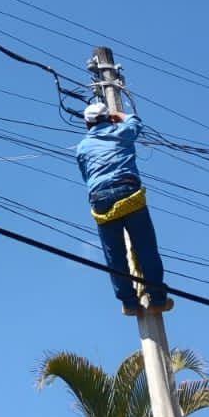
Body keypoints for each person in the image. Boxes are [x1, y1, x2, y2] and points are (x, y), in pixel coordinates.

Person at [75, 101, 171, 315]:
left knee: (114, 256)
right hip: (128, 192)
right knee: (146, 248)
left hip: (100, 198)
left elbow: (86, 176)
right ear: (109, 118)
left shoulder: (82, 147)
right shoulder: (122, 132)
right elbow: (136, 121)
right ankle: (157, 298)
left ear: (87, 124)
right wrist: (119, 114)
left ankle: (129, 303)